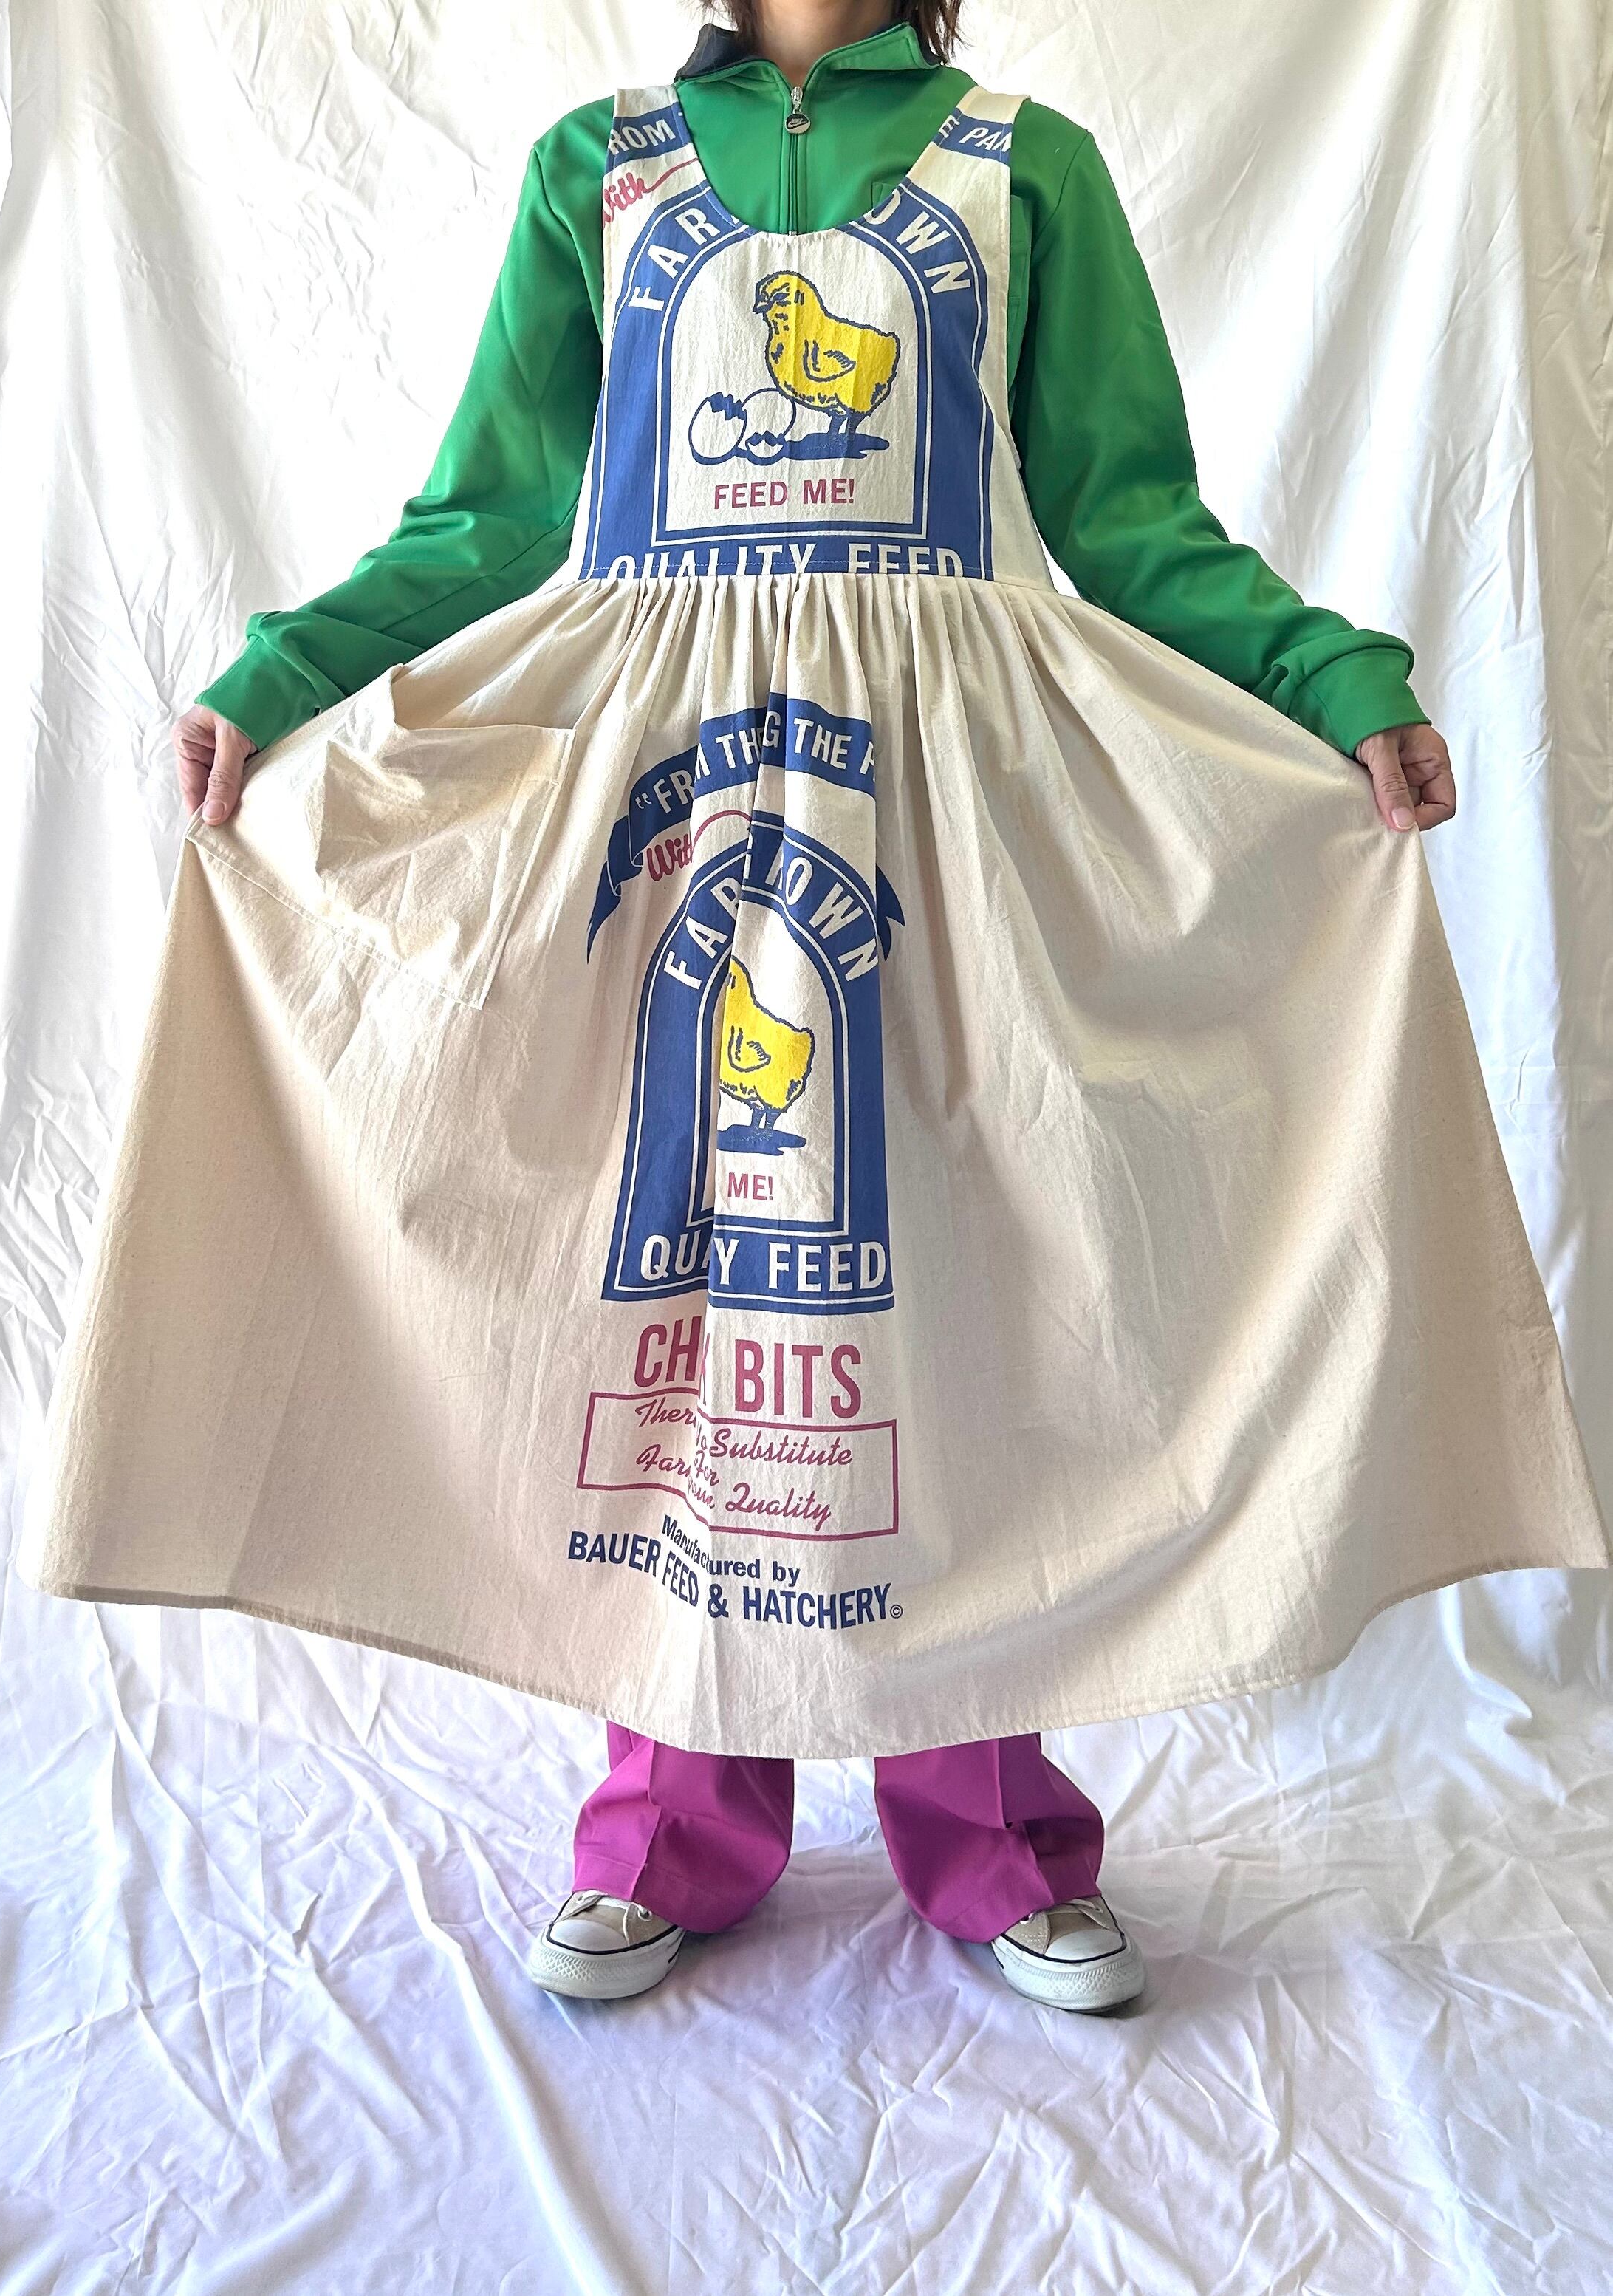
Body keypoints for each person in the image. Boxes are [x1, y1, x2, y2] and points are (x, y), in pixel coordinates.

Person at [94, 0, 1597, 2016]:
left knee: (944, 1296)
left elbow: (1130, 517)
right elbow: (494, 513)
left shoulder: (1021, 165)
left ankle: (993, 1832)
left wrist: (1335, 680)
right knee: (675, 1292)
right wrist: (278, 679)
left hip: (937, 796)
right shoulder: (601, 170)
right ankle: (664, 1824)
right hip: (667, 791)